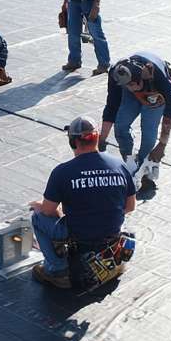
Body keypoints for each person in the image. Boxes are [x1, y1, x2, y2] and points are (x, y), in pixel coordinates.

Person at [30, 116, 136, 289]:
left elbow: (48, 211)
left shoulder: (63, 172)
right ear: (97, 137)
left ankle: (57, 270)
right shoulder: (119, 165)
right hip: (111, 233)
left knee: (38, 217)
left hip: (80, 236)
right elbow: (130, 206)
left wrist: (38, 205)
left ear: (73, 142)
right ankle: (113, 261)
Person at [99, 52, 171, 188]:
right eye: (127, 86)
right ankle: (130, 164)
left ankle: (144, 168)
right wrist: (102, 139)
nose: (130, 88)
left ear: (141, 79)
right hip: (133, 91)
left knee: (148, 134)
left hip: (155, 95)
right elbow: (112, 106)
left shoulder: (158, 77)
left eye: (132, 85)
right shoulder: (116, 74)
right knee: (120, 127)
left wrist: (162, 144)